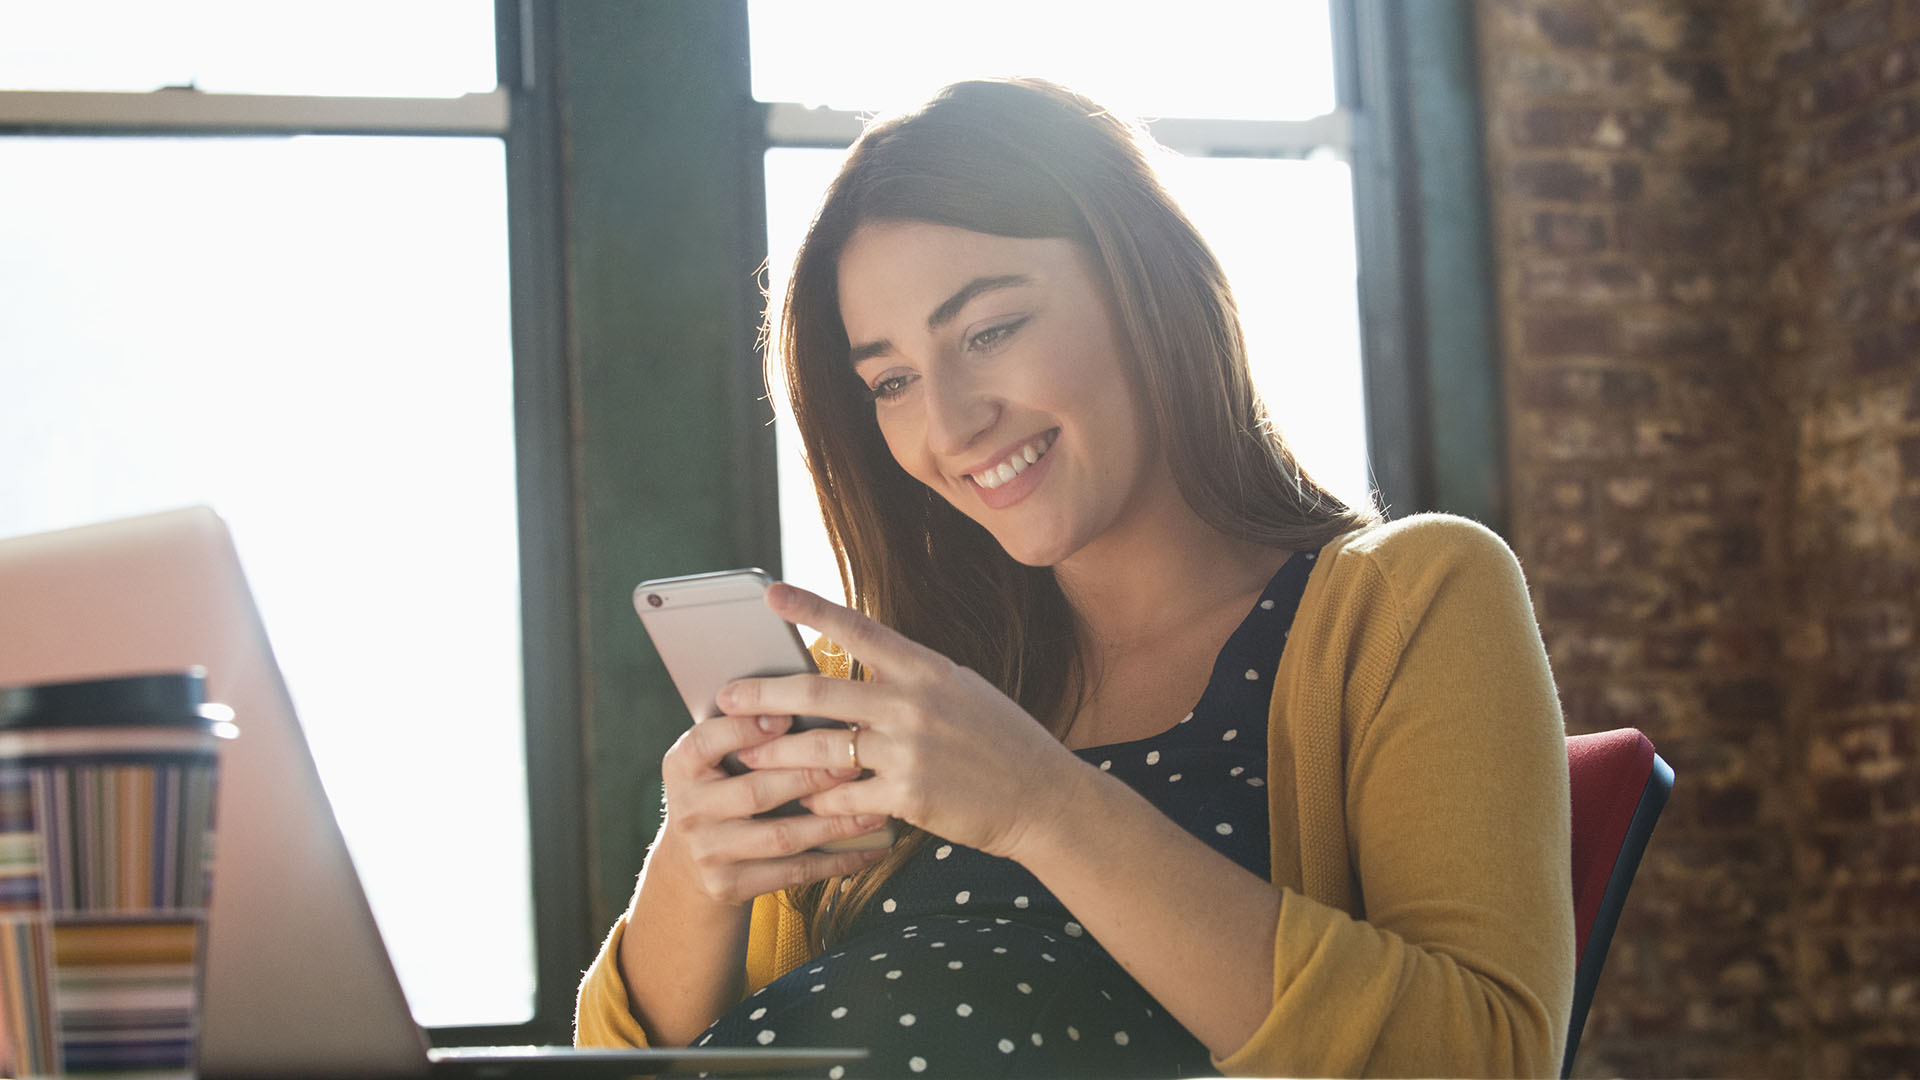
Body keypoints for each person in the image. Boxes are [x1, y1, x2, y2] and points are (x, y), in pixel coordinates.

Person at [576, 77, 1574, 1078]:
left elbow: (1481, 1059)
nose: (951, 426)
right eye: (891, 382)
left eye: (990, 331)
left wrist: (1046, 806)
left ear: (1146, 285)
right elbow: (624, 1066)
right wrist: (693, 873)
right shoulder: (888, 693)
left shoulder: (1409, 597)